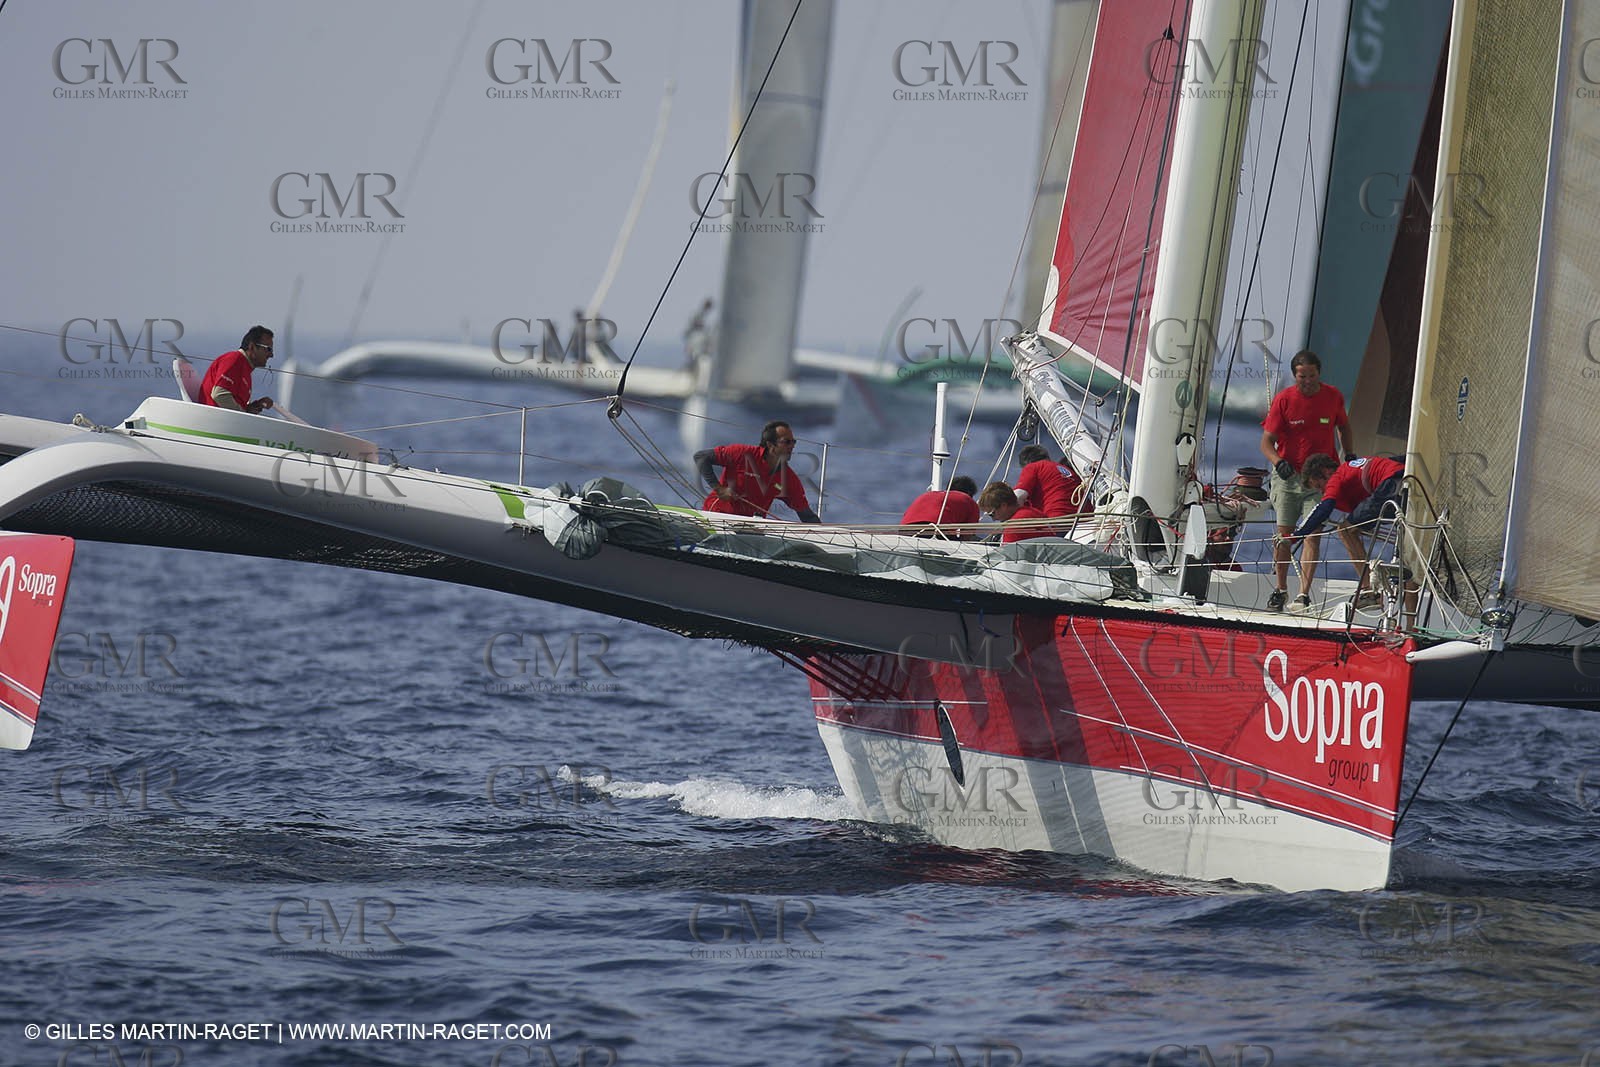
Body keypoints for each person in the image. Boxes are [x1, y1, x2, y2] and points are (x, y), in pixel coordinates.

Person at [1259, 349, 1354, 611]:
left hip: (1320, 480)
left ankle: (1303, 594)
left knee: (1313, 534)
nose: (1307, 381)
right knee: (1285, 536)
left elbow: (1344, 427)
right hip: (1289, 478)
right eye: (1302, 376)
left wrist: (1350, 454)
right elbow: (1266, 442)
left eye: (1311, 375)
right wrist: (1278, 462)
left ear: (1318, 374)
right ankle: (1280, 589)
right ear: (1294, 376)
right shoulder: (1284, 400)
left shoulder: (1332, 396)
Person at [1293, 452, 1405, 603]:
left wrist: (1296, 536)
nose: (1322, 491)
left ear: (1326, 472)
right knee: (1353, 527)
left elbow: (1325, 507)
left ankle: (1369, 591)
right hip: (1401, 479)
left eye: (1320, 486)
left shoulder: (1336, 476)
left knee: (1344, 530)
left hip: (1388, 486)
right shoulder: (1354, 466)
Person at [695, 420, 819, 522]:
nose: (792, 446)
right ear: (770, 445)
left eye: (793, 442)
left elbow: (806, 514)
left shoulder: (788, 479)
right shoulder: (742, 453)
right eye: (787, 442)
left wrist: (831, 536)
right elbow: (701, 457)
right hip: (716, 518)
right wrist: (719, 489)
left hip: (751, 529)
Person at [199, 326, 276, 413]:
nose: (271, 355)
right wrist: (244, 415)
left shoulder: (245, 368)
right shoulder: (234, 359)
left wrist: (254, 406)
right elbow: (219, 395)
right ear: (252, 347)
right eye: (268, 349)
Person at [1014, 444, 1092, 518]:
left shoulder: (1033, 467)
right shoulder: (1070, 471)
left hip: (1059, 520)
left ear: (1026, 462)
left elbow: (1018, 497)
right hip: (1090, 520)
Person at [899, 475, 980, 537]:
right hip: (935, 530)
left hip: (905, 530)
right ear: (970, 493)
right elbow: (967, 535)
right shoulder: (969, 501)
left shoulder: (928, 495)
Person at [978, 482, 1055, 544]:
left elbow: (1006, 560)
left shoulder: (1014, 526)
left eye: (992, 514)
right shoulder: (1034, 513)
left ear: (1003, 506)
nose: (994, 519)